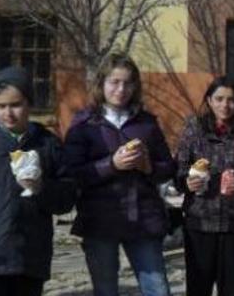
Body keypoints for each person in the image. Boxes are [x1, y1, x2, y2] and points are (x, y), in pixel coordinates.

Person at [63, 54, 175, 296]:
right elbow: (72, 173)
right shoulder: (84, 124)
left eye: (128, 83)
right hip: (99, 220)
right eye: (114, 82)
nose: (121, 89)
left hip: (143, 219)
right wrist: (111, 164)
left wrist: (148, 167)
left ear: (135, 86)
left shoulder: (146, 123)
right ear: (101, 83)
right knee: (105, 291)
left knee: (158, 290)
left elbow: (168, 168)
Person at [0, 67, 76, 296]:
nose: (8, 113)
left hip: (29, 257)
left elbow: (66, 200)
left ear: (29, 103)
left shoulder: (48, 145)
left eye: (15, 105)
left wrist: (40, 188)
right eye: (0, 106)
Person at [175, 76, 234, 296]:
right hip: (198, 221)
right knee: (198, 287)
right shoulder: (194, 129)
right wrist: (187, 181)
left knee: (230, 289)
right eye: (219, 99)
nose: (225, 105)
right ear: (210, 101)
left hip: (232, 221)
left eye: (231, 100)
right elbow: (178, 169)